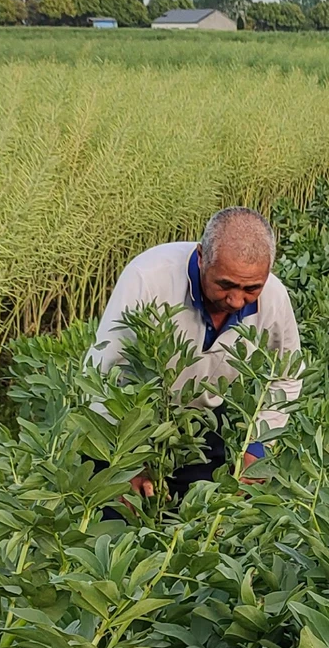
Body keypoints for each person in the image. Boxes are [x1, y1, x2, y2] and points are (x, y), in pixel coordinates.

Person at [87, 207, 302, 502]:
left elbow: (286, 375)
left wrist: (258, 447)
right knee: (119, 520)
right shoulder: (148, 278)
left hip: (202, 424)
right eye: (225, 284)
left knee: (197, 529)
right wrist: (125, 463)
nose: (236, 299)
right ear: (201, 258)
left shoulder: (274, 297)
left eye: (251, 288)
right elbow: (101, 373)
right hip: (132, 421)